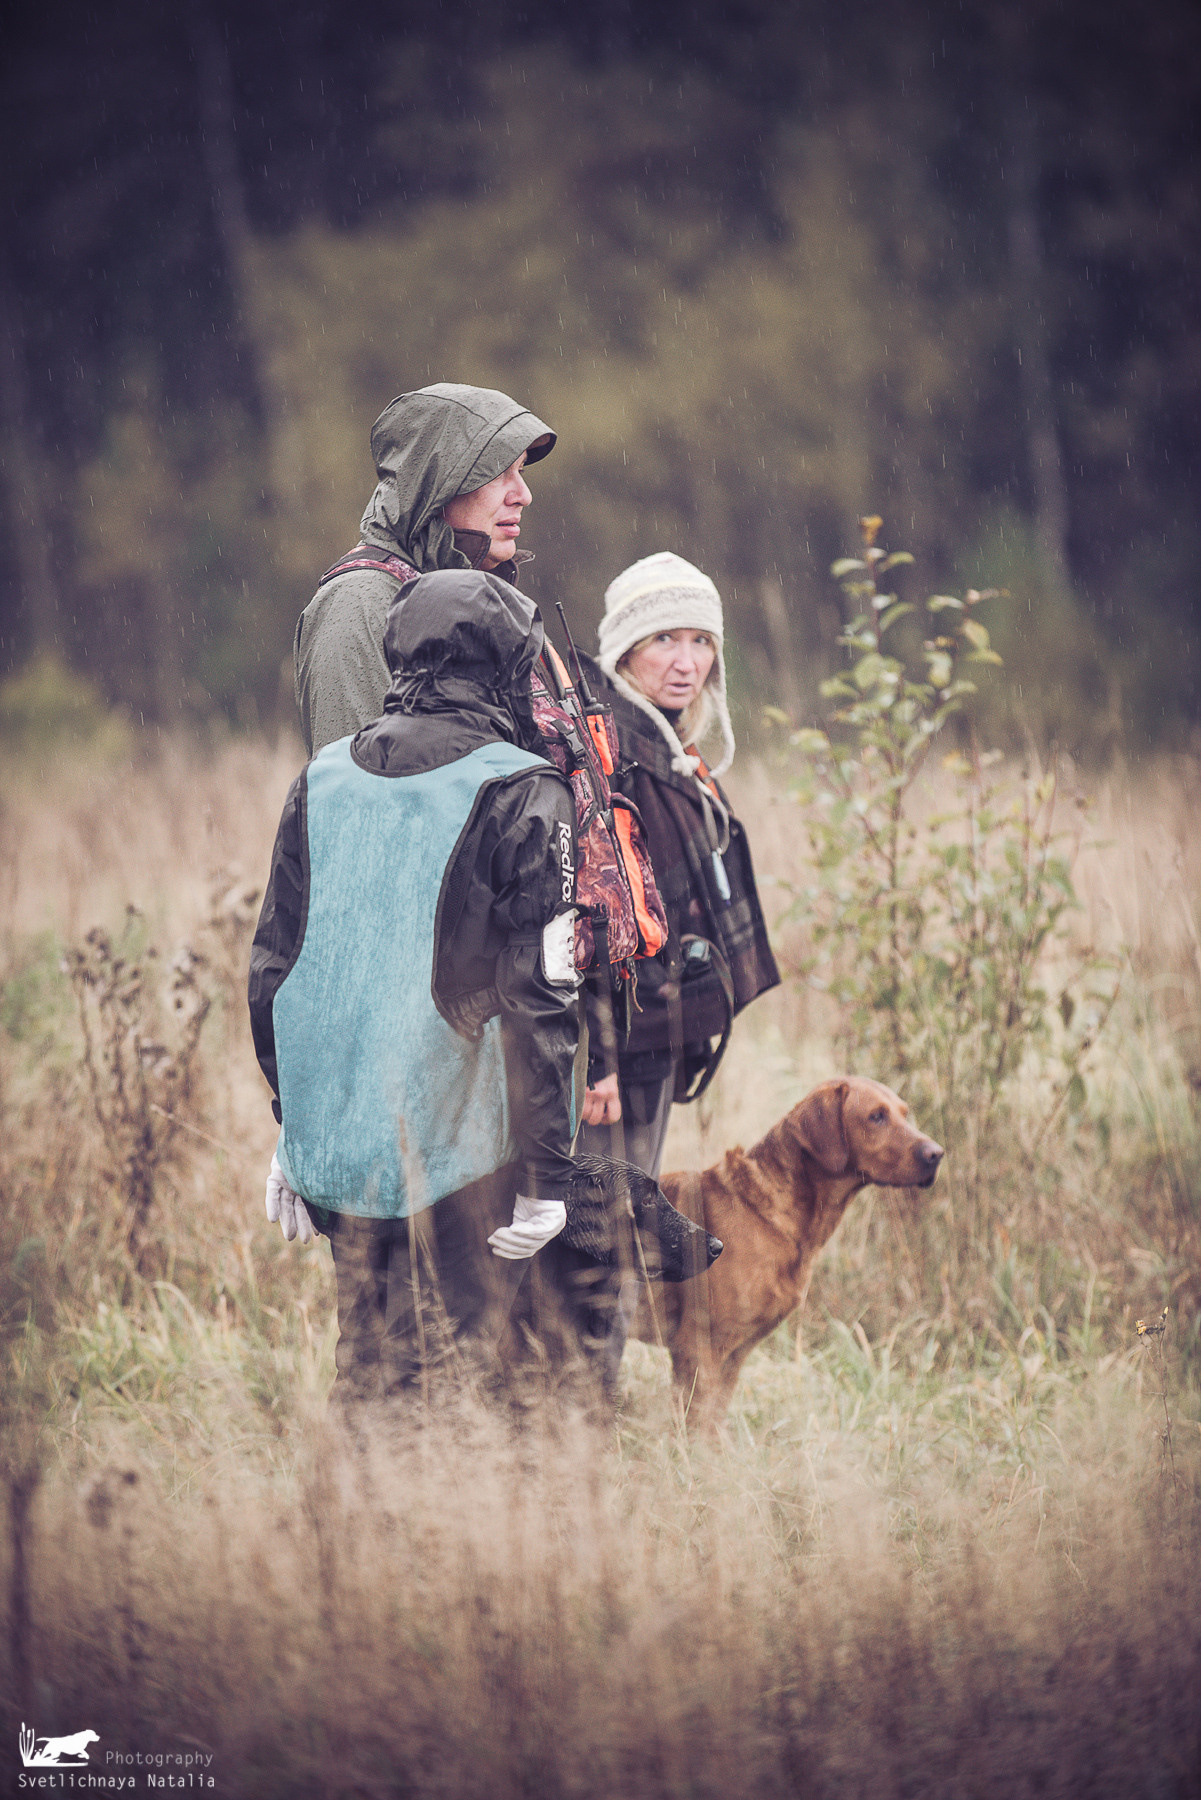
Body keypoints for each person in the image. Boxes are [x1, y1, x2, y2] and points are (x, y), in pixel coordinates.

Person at [249, 569, 583, 1403]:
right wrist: (546, 1172)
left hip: (352, 1134)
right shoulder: (523, 788)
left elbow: (277, 972)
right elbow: (543, 991)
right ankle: (425, 1529)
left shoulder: (322, 778)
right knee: (456, 1371)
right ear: (511, 666)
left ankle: (355, 1526)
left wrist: (298, 1132)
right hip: (470, 1148)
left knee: (365, 1361)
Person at [292, 380, 628, 1134]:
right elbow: (364, 836)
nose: (522, 495)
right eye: (497, 472)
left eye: (524, 472)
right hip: (426, 1031)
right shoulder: (360, 610)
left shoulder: (471, 597)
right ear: (436, 484)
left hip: (499, 1009)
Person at [575, 552, 780, 1178]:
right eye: (663, 639)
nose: (686, 662)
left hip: (654, 1035)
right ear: (625, 651)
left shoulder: (672, 755)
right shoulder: (609, 757)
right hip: (622, 1048)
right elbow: (589, 917)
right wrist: (598, 1061)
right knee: (602, 1244)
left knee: (623, 1230)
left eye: (700, 642)